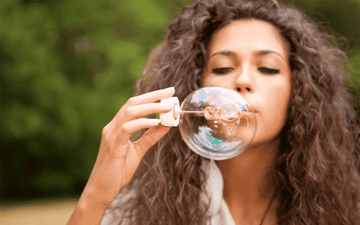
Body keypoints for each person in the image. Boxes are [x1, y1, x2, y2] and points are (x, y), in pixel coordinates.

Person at [67, 0, 360, 224]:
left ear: (298, 92)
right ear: (196, 88)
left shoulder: (344, 209)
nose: (243, 81)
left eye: (268, 68)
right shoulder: (140, 210)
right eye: (222, 68)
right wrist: (96, 196)